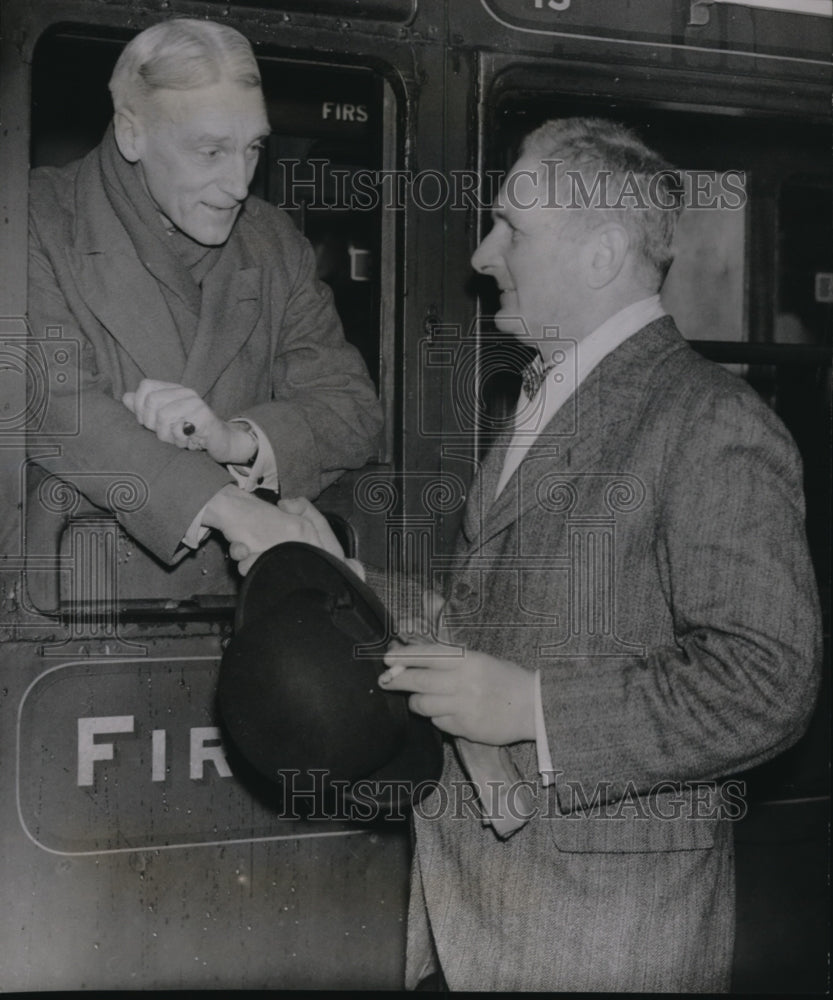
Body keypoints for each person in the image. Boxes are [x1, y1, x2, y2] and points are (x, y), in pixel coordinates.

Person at [226, 118, 822, 991]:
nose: (480, 253)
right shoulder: (548, 403)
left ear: (601, 251)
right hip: (475, 913)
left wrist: (536, 709)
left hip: (600, 933)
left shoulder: (712, 425)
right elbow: (489, 620)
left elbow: (767, 679)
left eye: (512, 226)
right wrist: (350, 583)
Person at [25, 18, 382, 605]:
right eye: (211, 151)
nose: (239, 184)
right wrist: (228, 505)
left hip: (245, 613)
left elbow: (351, 409)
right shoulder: (31, 218)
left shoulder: (273, 243)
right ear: (131, 134)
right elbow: (48, 404)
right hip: (72, 617)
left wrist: (236, 439)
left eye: (253, 148)